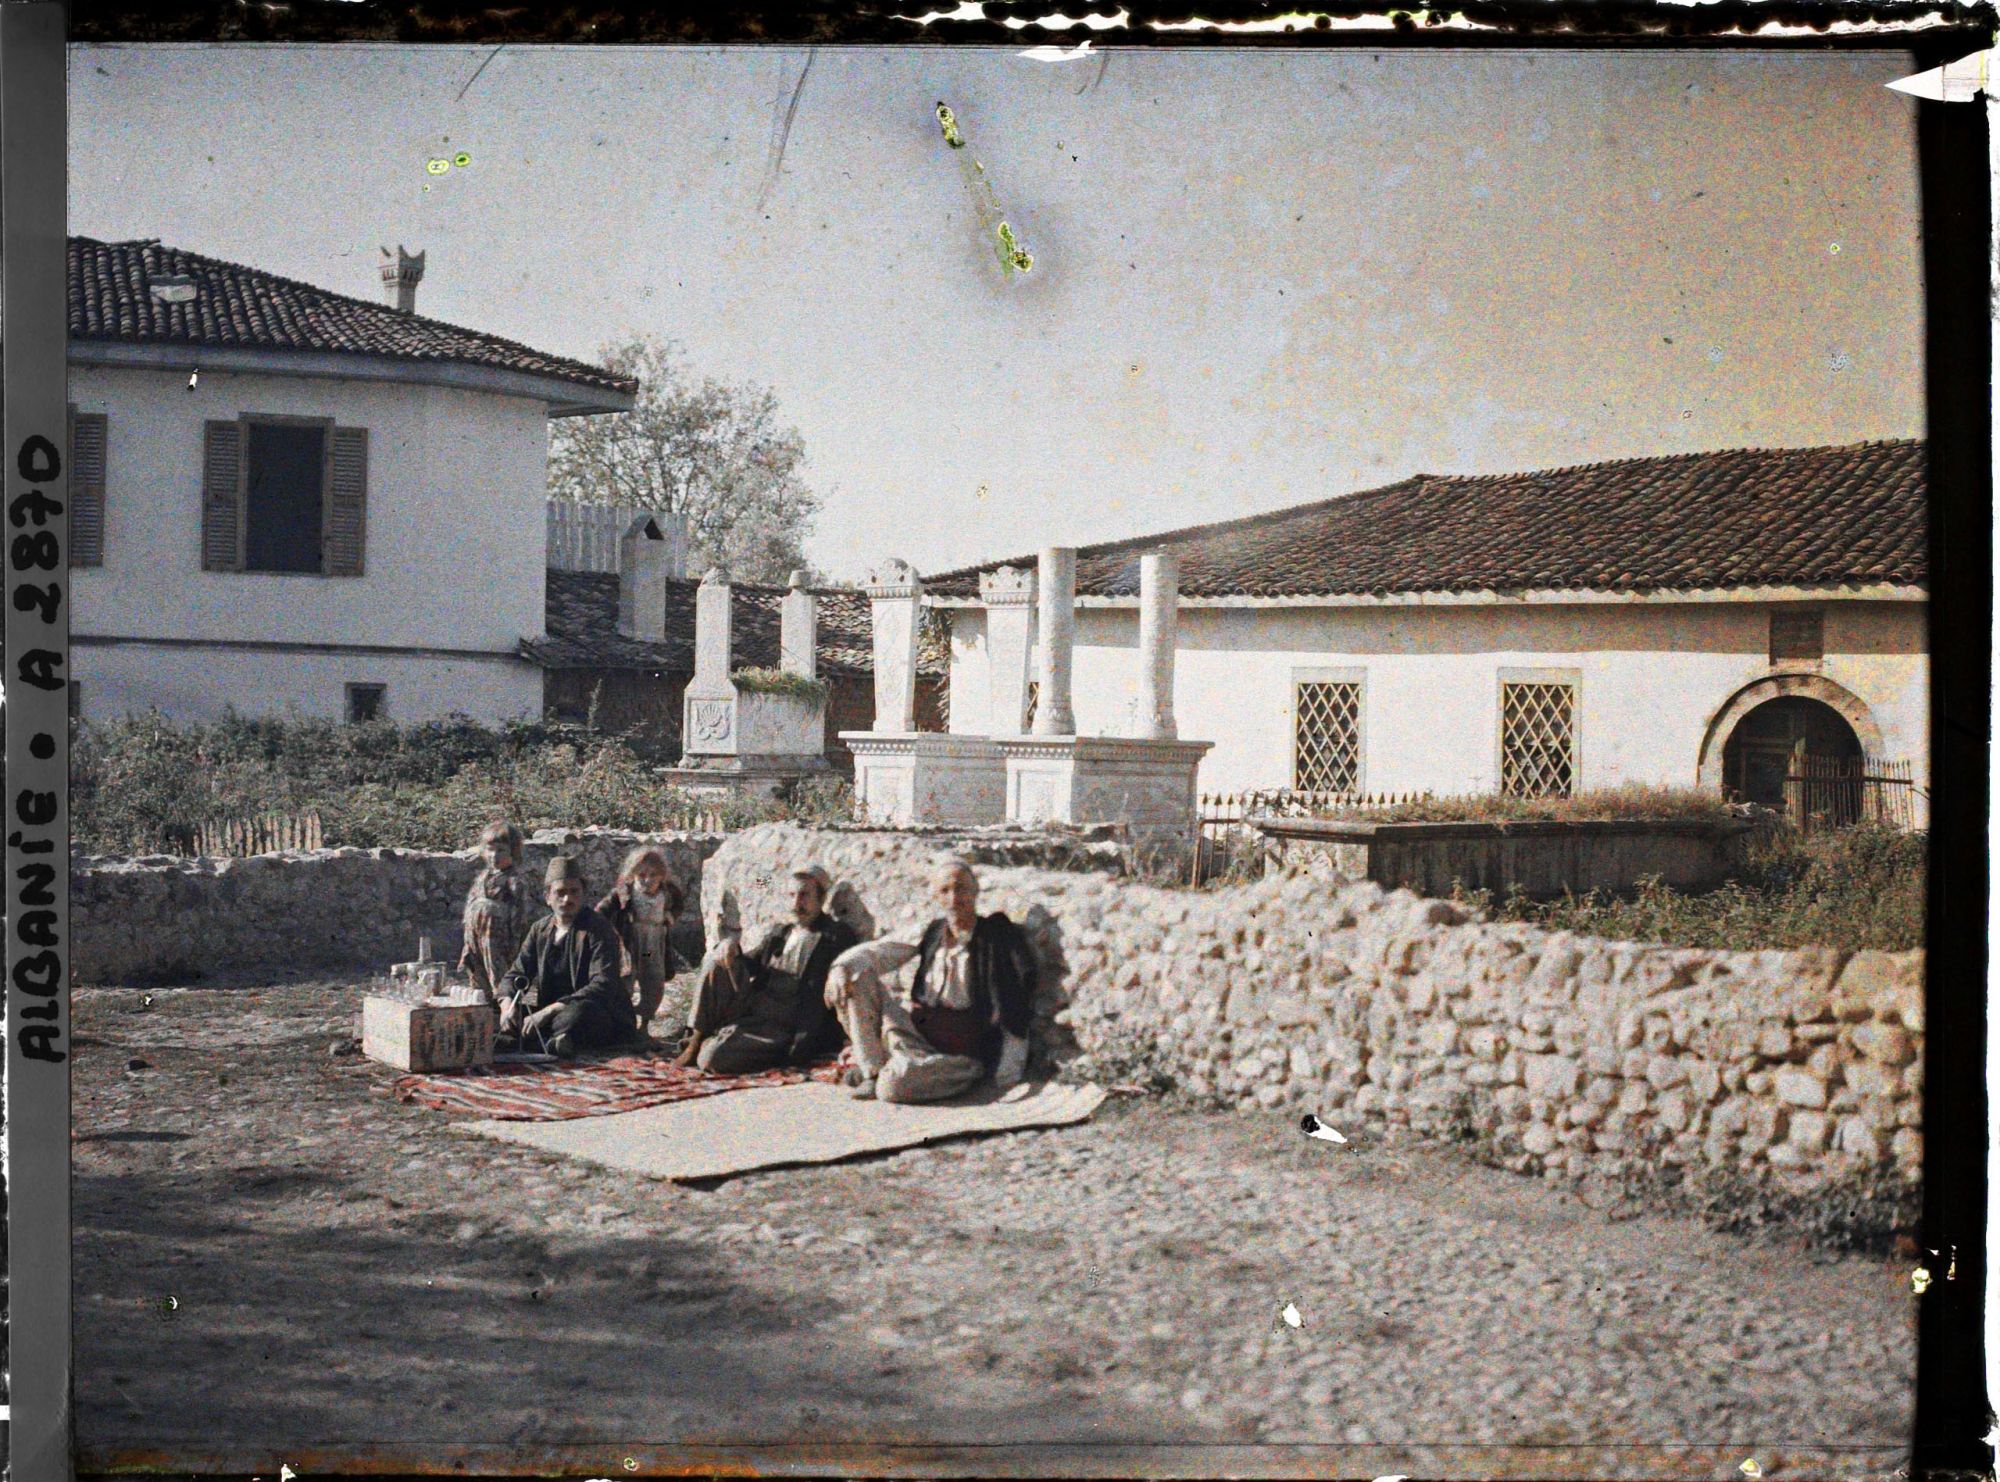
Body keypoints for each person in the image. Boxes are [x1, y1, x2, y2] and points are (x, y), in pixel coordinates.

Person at [824, 855, 1036, 1104]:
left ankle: (890, 1071)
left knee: (891, 1088)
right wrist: (840, 967)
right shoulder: (933, 931)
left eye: (961, 889)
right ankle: (872, 1071)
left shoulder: (993, 937)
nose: (954, 899)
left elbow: (1013, 1004)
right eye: (945, 891)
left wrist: (1008, 1074)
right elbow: (879, 951)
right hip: (916, 1034)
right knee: (856, 977)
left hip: (959, 1054)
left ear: (975, 891)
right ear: (936, 896)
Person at [674, 865, 860, 1075]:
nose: (796, 903)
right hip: (755, 1011)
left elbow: (845, 975)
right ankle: (695, 1040)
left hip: (785, 1026)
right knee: (715, 962)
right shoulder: (782, 932)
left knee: (712, 1058)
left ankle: (714, 1043)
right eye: (791, 895)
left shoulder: (835, 936)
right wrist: (730, 945)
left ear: (821, 898)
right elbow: (750, 963)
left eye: (804, 895)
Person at [494, 856, 633, 1059]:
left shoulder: (598, 928)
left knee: (579, 1015)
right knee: (490, 1010)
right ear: (547, 896)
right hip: (549, 1012)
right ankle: (552, 1041)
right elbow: (515, 974)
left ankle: (535, 1040)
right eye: (560, 892)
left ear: (583, 894)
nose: (567, 899)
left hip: (588, 1008)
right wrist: (508, 1005)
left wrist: (549, 1011)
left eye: (574, 892)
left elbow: (603, 983)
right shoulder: (539, 929)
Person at [595, 846, 688, 1039]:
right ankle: (622, 1024)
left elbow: (678, 904)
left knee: (653, 980)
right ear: (633, 874)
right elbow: (601, 910)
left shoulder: (668, 893)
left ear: (662, 875)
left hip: (652, 945)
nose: (648, 880)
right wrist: (609, 931)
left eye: (653, 875)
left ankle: (644, 1025)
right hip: (630, 944)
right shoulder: (624, 893)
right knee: (625, 981)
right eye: (642, 874)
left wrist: (669, 916)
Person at [458, 821, 535, 1002]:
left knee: (500, 979)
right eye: (490, 850)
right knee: (478, 978)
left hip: (498, 941)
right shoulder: (483, 878)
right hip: (477, 938)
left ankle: (502, 1008)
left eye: (501, 850)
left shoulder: (514, 881)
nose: (494, 856)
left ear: (512, 852)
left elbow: (519, 916)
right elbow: (471, 905)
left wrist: (514, 944)